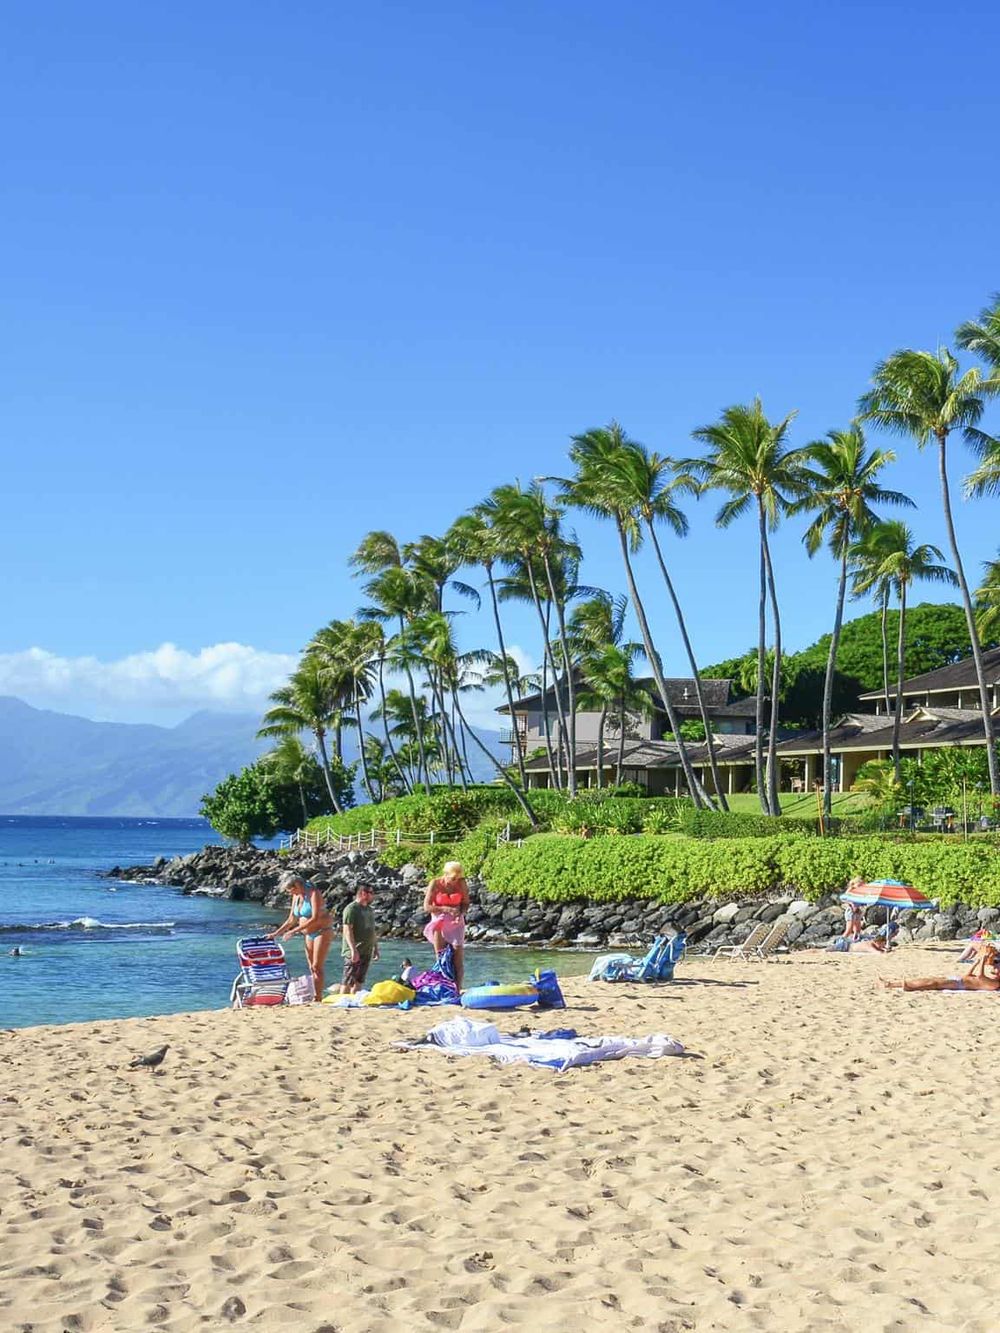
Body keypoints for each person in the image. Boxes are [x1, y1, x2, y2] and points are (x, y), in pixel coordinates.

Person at [269, 872, 336, 1002]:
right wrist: (276, 933)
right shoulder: (297, 896)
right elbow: (291, 919)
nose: (290, 893)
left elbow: (315, 917)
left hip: (322, 931)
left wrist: (294, 931)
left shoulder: (313, 893)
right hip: (308, 934)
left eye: (291, 889)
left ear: (298, 885)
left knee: (317, 966)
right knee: (312, 967)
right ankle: (316, 995)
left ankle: (318, 997)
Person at [423, 860, 469, 990]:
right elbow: (427, 906)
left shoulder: (461, 883)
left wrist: (461, 913)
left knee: (457, 957)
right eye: (453, 878)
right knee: (441, 956)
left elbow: (466, 902)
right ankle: (444, 987)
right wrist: (446, 909)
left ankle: (458, 989)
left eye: (457, 878)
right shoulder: (435, 883)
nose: (455, 881)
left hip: (456, 921)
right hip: (439, 921)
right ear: (445, 874)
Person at [881, 943, 1000, 992]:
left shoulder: (995, 984)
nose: (994, 968)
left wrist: (983, 959)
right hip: (959, 979)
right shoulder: (991, 979)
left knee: (933, 983)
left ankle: (907, 986)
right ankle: (892, 984)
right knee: (930, 979)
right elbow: (968, 975)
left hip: (959, 984)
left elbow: (980, 976)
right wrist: (977, 962)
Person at [341, 884, 379, 995]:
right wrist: (353, 950)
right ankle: (342, 1002)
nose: (373, 896)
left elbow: (372, 930)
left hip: (367, 949)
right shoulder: (351, 909)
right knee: (348, 980)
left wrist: (375, 948)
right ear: (363, 893)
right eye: (371, 893)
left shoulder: (369, 910)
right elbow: (347, 930)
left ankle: (354, 1002)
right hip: (355, 950)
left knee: (359, 980)